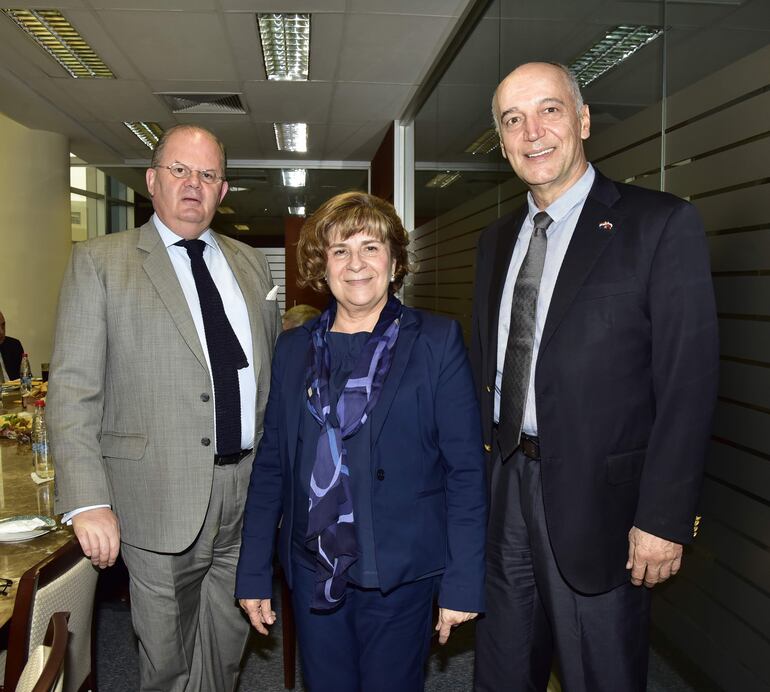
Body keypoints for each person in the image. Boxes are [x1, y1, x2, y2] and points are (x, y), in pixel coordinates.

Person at [471, 62, 719, 692]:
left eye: (549, 110)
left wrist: (664, 517)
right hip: (508, 492)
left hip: (604, 508)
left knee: (599, 674)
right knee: (502, 670)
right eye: (513, 119)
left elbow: (688, 384)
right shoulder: (495, 242)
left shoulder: (660, 225)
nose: (533, 132)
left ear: (581, 120)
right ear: (501, 141)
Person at [47, 124, 280, 692]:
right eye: (179, 170)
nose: (193, 185)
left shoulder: (251, 265)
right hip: (154, 496)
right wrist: (87, 500)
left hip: (245, 495)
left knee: (225, 656)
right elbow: (73, 391)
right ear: (153, 180)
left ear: (223, 190)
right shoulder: (102, 262)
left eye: (208, 175)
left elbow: (267, 374)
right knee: (167, 665)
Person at [236, 192, 486, 692]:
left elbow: (465, 471)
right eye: (340, 250)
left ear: (394, 262)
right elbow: (271, 467)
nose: (356, 264)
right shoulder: (294, 348)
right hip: (313, 570)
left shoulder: (436, 342)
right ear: (321, 264)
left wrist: (462, 583)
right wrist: (253, 571)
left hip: (400, 571)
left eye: (371, 247)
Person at [0, 310, 25, 381]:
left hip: (15, 391)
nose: (1, 332)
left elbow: (26, 377)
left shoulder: (14, 345)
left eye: (3, 325)